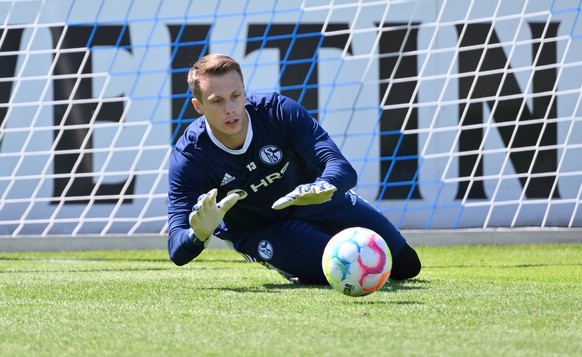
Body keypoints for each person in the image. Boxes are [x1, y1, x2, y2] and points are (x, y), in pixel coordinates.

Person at [167, 53, 421, 284]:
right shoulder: (189, 157)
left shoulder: (277, 112)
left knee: (407, 266)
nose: (230, 109)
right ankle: (286, 262)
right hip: (260, 229)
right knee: (342, 271)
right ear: (198, 107)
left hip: (314, 200)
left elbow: (341, 167)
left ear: (244, 91)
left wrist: (328, 185)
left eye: (236, 96)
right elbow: (176, 250)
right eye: (217, 101)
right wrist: (197, 234)